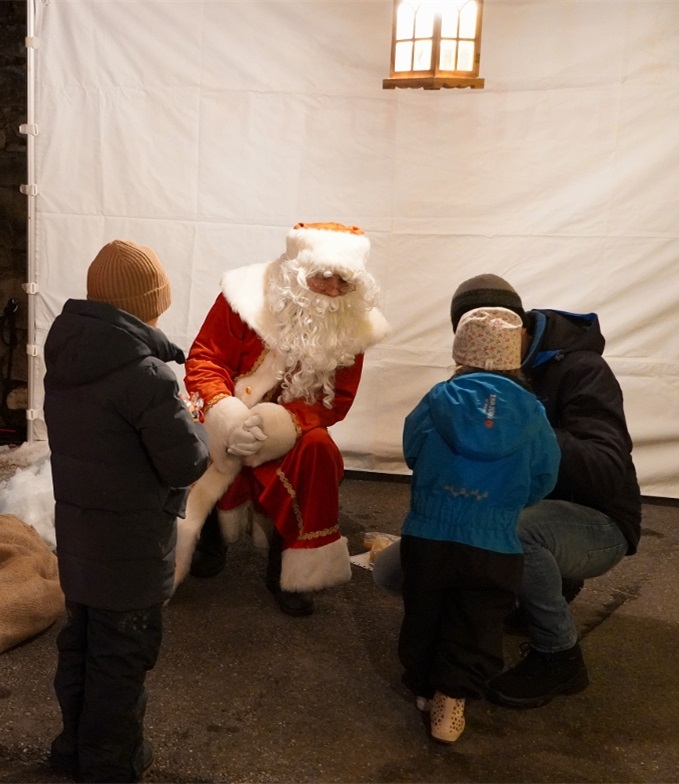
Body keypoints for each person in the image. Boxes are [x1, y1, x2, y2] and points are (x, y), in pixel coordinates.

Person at [375, 274, 642, 709]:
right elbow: (420, 451)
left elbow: (608, 471)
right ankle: (519, 598)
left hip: (599, 521)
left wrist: (522, 429)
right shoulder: (465, 387)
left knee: (511, 531)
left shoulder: (581, 369)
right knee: (396, 569)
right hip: (511, 505)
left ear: (520, 325)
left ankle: (559, 654)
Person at [43, 240, 210, 783]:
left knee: (80, 645)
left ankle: (71, 747)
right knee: (121, 658)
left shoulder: (66, 355)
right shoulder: (147, 376)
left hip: (80, 539)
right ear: (149, 305)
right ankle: (111, 762)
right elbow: (185, 462)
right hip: (132, 549)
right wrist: (194, 422)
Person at [179, 222, 389, 616]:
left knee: (319, 451)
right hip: (229, 405)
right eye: (323, 277)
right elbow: (206, 358)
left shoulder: (354, 322)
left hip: (293, 424)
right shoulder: (242, 297)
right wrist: (225, 412)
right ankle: (211, 537)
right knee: (192, 431)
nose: (332, 290)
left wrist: (279, 426)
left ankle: (290, 564)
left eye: (343, 282)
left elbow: (335, 401)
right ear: (296, 272)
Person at [397, 307, 560, 743]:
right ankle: (451, 701)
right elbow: (545, 474)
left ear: (460, 353)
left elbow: (412, 448)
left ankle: (423, 685)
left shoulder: (438, 399)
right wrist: (507, 504)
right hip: (494, 543)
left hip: (429, 533)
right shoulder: (532, 412)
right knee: (477, 620)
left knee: (424, 611)